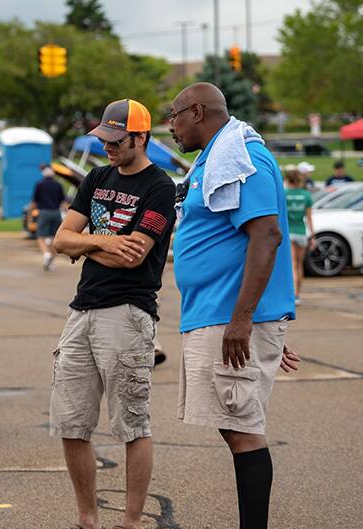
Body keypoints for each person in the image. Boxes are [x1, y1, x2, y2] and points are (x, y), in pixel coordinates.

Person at [169, 82, 300, 529]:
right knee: (234, 424)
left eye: (175, 115)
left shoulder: (244, 158)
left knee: (241, 428)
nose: (171, 126)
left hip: (231, 317)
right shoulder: (216, 158)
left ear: (198, 112)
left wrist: (247, 320)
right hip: (220, 314)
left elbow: (267, 236)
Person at [51, 98, 176, 529]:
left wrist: (85, 242)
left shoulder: (160, 187)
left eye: (116, 139)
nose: (107, 147)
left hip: (127, 313)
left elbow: (134, 256)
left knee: (131, 426)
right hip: (81, 312)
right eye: (102, 137)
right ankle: (87, 518)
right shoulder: (97, 177)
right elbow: (60, 241)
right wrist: (103, 242)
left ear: (140, 138)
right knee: (70, 423)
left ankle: (130, 522)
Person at [284, 165, 314, 306]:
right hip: (301, 232)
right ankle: (297, 294)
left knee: (291, 265)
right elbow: (309, 218)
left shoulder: (284, 194)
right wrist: (313, 236)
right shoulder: (306, 195)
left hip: (288, 233)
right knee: (299, 265)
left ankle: (291, 294)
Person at [30, 164, 66, 271]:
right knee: (55, 238)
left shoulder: (39, 185)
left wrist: (30, 214)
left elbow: (34, 202)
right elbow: (63, 202)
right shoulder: (58, 185)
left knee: (40, 236)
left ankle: (46, 255)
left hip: (44, 213)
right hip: (56, 213)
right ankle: (51, 263)